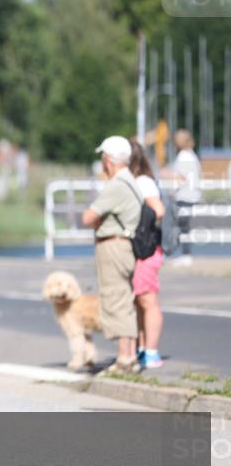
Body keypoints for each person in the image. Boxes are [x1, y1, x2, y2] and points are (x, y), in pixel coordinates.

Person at [81, 136, 142, 373]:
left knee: (115, 299)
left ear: (108, 159)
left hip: (114, 246)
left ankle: (124, 359)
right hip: (125, 245)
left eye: (103, 157)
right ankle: (129, 355)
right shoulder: (131, 181)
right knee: (124, 300)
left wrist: (96, 221)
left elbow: (88, 217)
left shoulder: (117, 185)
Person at [128, 139, 165, 369]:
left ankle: (151, 351)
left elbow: (158, 210)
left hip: (147, 249)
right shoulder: (140, 181)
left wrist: (141, 226)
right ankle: (142, 348)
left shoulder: (142, 182)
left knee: (148, 301)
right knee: (140, 300)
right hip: (144, 248)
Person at [162, 129, 202, 266]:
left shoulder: (184, 156)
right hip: (191, 195)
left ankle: (185, 254)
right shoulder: (192, 155)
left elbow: (182, 178)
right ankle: (184, 254)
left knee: (181, 226)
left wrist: (167, 174)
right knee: (183, 226)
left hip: (185, 195)